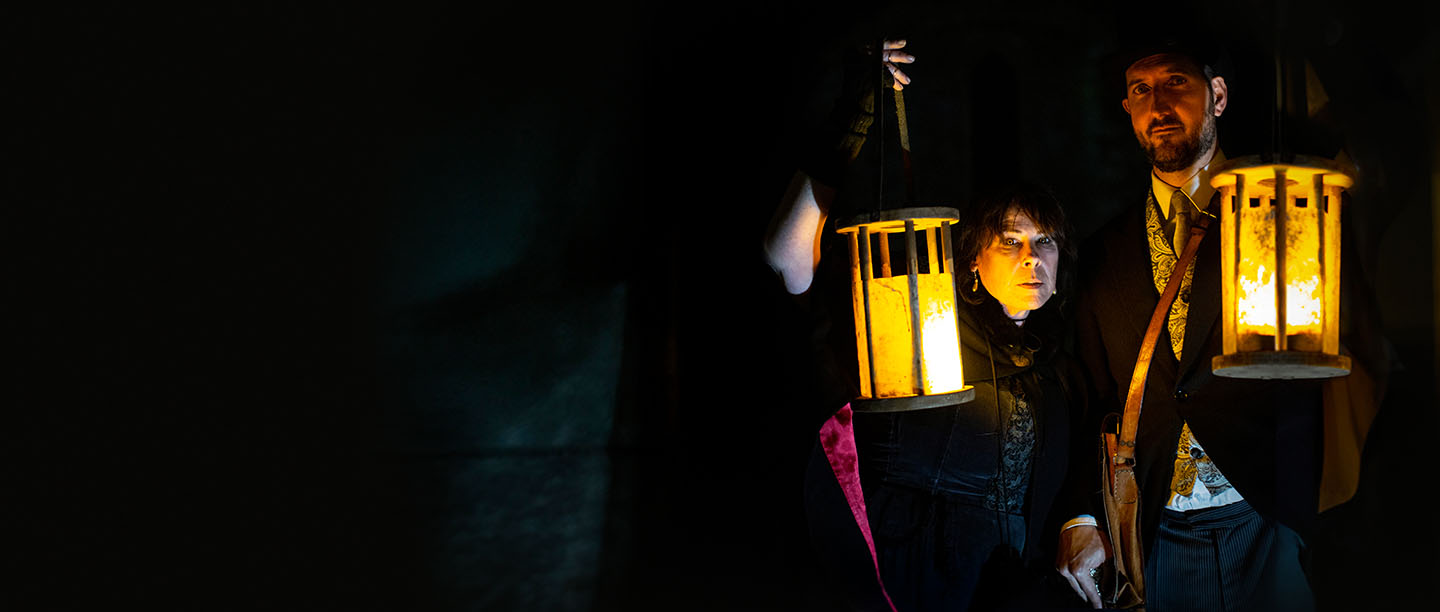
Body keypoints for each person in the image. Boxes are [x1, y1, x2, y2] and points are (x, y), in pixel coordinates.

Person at [1051, 37, 1391, 612]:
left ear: (1219, 96)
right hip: (1153, 524)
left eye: (1176, 83)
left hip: (1267, 515)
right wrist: (1080, 514)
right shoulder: (1101, 254)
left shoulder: (1284, 220)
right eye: (1140, 90)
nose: (1157, 104)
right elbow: (1089, 396)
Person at [765, 40, 1082, 611]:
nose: (1031, 257)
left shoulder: (1060, 361)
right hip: (917, 569)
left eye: (1044, 242)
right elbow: (787, 257)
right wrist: (853, 118)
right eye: (1009, 241)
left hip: (1014, 577)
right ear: (974, 263)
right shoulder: (919, 327)